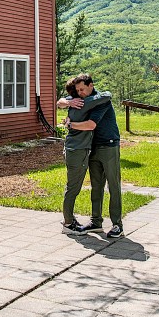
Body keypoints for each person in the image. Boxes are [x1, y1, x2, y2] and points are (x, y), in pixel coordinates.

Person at [61, 73, 124, 238]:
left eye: (82, 89)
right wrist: (68, 101)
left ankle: (117, 224)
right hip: (93, 147)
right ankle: (96, 222)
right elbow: (60, 101)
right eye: (77, 90)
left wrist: (70, 124)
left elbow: (91, 124)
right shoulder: (82, 99)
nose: (80, 92)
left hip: (109, 144)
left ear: (91, 85)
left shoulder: (100, 100)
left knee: (113, 185)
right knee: (96, 186)